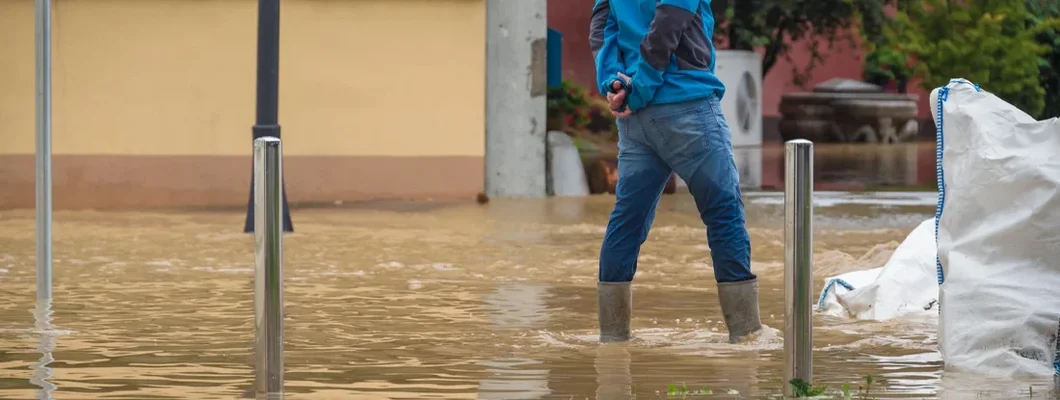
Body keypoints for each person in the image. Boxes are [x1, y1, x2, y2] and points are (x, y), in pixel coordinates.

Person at [589, 0, 762, 344]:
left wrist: (613, 83)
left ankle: (612, 342)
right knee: (724, 214)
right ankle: (747, 338)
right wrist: (640, 89)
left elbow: (602, 25)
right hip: (687, 105)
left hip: (636, 121)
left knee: (628, 220)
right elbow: (670, 21)